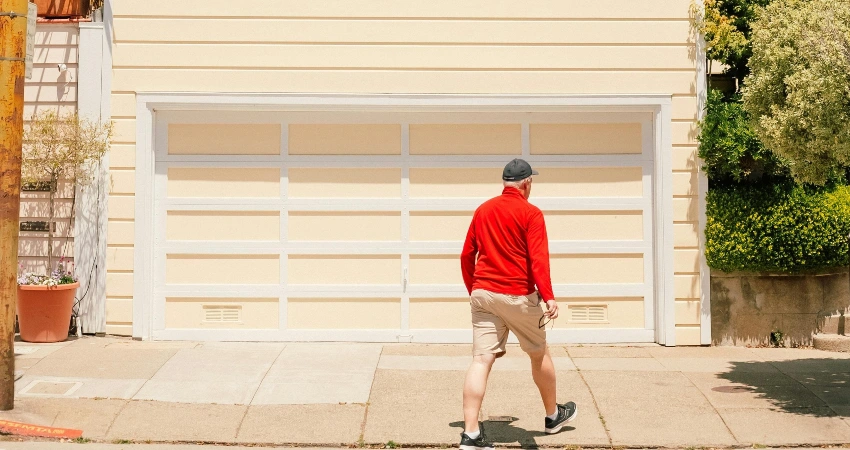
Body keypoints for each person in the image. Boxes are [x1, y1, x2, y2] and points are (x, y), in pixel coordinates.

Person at [458, 158, 577, 450]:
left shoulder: (483, 210)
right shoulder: (531, 213)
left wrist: (475, 288)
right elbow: (538, 260)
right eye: (531, 183)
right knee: (539, 353)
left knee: (480, 360)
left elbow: (466, 255)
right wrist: (548, 296)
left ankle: (470, 434)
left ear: (504, 183)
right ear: (526, 183)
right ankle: (552, 417)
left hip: (483, 293)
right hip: (518, 296)